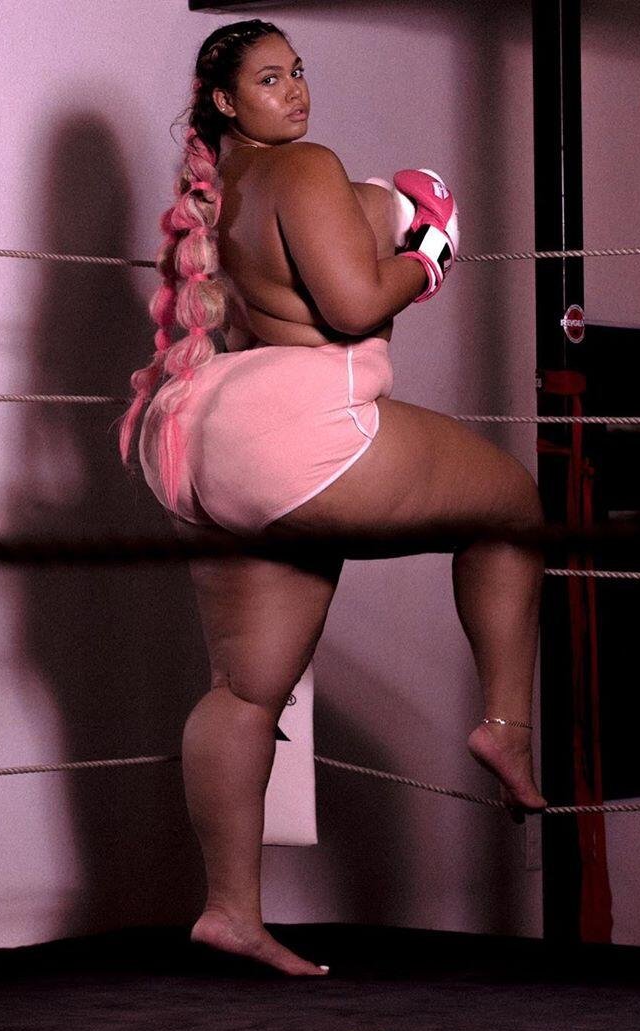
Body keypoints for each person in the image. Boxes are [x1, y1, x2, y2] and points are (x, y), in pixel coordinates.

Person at [120, 19, 545, 976]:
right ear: (226, 100)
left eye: (298, 72)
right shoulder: (303, 167)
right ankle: (506, 727)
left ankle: (229, 909)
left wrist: (390, 213)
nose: (297, 91)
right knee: (515, 504)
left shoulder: (208, 198)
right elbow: (353, 307)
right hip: (300, 434)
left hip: (201, 436)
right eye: (271, 79)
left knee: (244, 689)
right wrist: (431, 252)